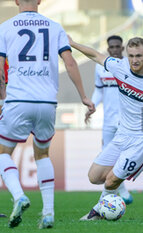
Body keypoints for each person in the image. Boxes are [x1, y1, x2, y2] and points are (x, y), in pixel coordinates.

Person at [0, 0, 95, 229]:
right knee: (42, 154)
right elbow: (70, 63)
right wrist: (83, 95)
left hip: (18, 99)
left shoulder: (5, 27)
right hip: (46, 102)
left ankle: (19, 195)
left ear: (15, 1)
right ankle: (49, 213)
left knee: (3, 152)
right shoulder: (55, 27)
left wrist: (2, 96)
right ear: (40, 1)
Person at [69, 36, 143, 220]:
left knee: (112, 180)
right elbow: (95, 54)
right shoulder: (119, 66)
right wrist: (72, 43)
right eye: (131, 55)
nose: (135, 60)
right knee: (94, 177)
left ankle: (96, 212)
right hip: (121, 134)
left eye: (139, 56)